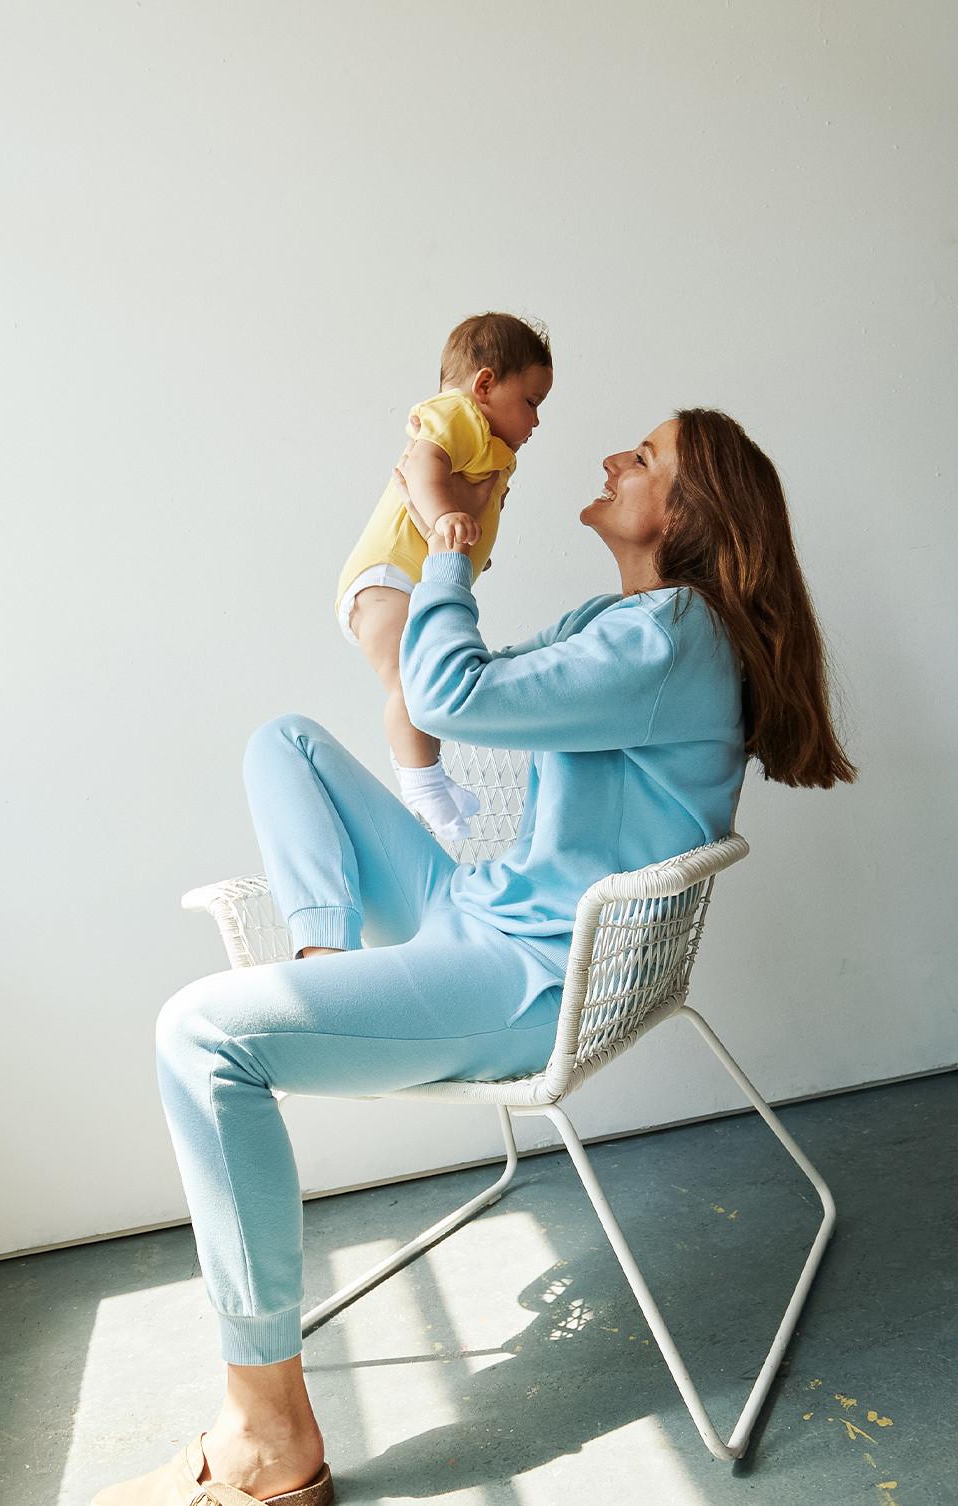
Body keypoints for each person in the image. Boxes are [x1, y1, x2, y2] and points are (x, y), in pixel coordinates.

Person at [93, 409, 856, 1504]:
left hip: (534, 978)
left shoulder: (673, 635)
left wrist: (448, 539)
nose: (608, 458)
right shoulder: (629, 619)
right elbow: (441, 685)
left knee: (200, 1033)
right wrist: (432, 545)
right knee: (289, 743)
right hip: (474, 909)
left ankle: (267, 1433)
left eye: (640, 458)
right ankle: (320, 954)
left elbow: (449, 695)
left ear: (685, 513)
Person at [335, 311, 553, 841]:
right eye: (531, 402)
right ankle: (422, 784)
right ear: (484, 384)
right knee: (411, 683)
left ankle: (429, 776)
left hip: (405, 580)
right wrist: (443, 518)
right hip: (389, 575)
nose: (537, 421)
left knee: (423, 678)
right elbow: (423, 466)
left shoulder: (490, 446)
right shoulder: (460, 415)